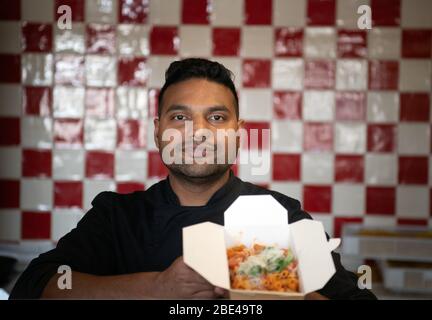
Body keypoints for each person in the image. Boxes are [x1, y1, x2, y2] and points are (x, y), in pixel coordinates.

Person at [10, 58, 376, 300]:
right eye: (180, 118)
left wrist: (276, 291)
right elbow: (36, 286)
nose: (198, 132)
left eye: (216, 118)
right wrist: (158, 287)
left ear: (238, 131)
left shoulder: (277, 215)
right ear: (158, 132)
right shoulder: (118, 216)